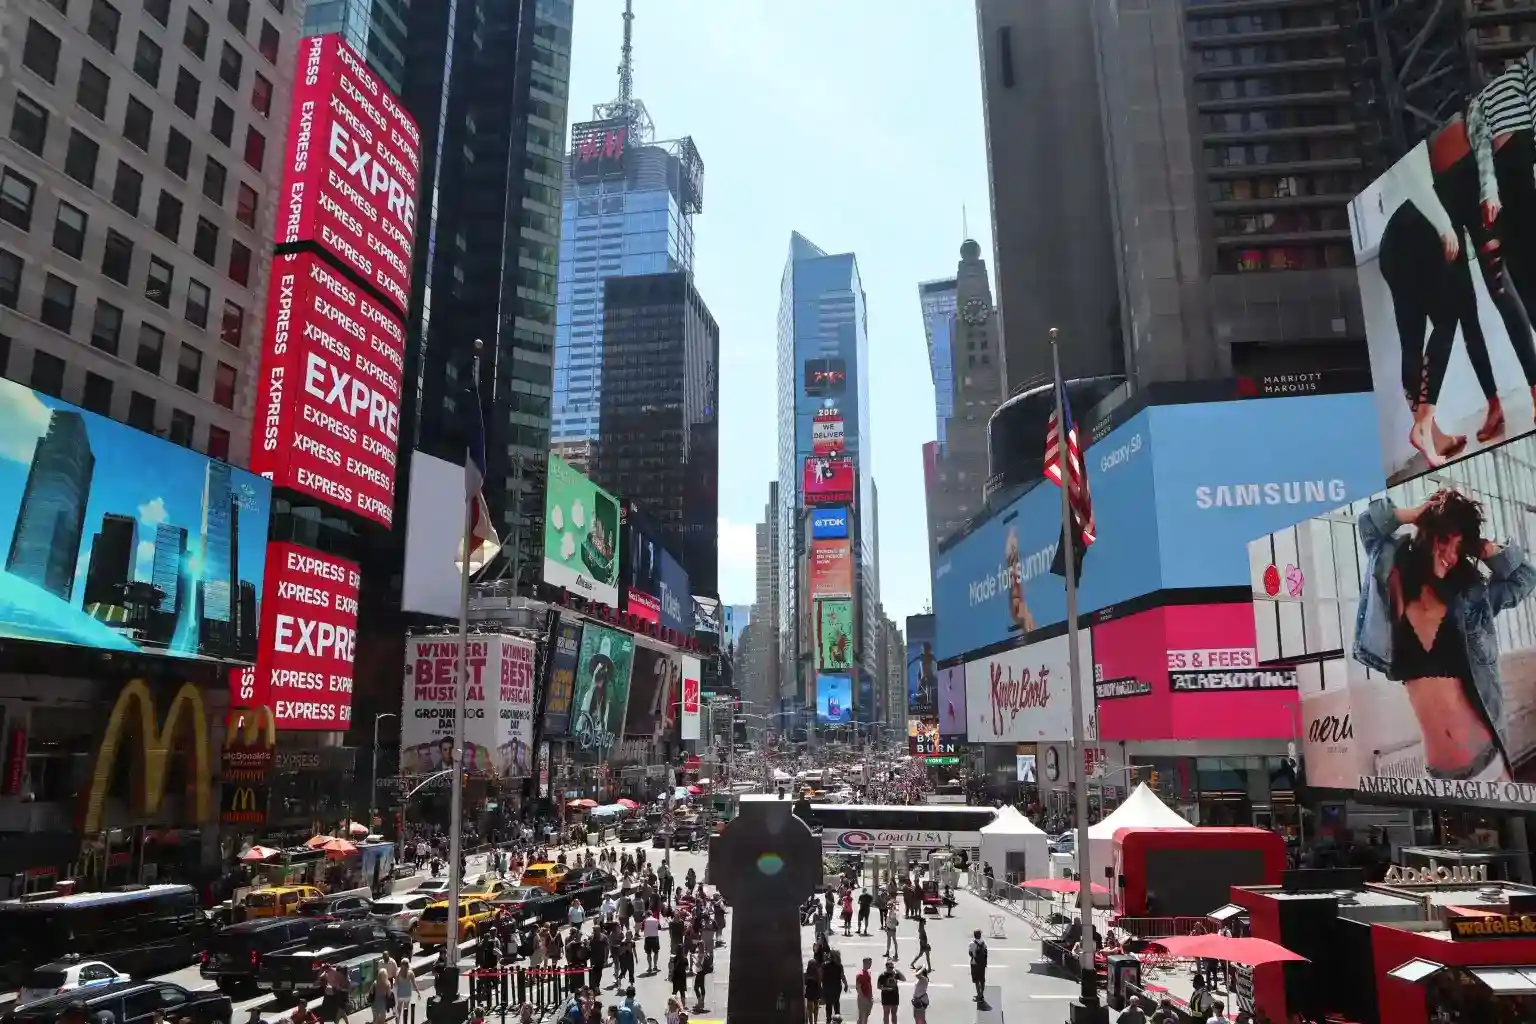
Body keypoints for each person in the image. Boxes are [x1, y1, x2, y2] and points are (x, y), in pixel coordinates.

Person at [1354, 491, 1536, 782]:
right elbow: (1368, 524)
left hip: (1487, 760)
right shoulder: (1395, 581)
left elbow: (1526, 578)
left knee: (1517, 829)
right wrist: (1414, 513)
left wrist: (1484, 548)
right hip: (1439, 777)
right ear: (1426, 535)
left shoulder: (1471, 597)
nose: (1451, 556)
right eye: (1444, 541)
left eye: (1459, 548)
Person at [823, 947, 847, 1024]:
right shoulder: (839, 966)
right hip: (836, 987)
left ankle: (828, 1019)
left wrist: (820, 986)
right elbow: (842, 976)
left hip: (827, 987)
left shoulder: (825, 965)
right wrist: (845, 984)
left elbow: (820, 976)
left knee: (828, 1004)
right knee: (836, 1002)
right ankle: (837, 1019)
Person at [967, 929, 989, 1006]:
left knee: (976, 980)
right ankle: (982, 994)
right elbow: (986, 953)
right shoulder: (983, 943)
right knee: (982, 979)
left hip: (974, 963)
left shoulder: (971, 944)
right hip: (982, 964)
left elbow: (970, 954)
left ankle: (978, 994)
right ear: (980, 935)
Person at [394, 956, 416, 1024]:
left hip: (400, 994)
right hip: (408, 994)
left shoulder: (398, 973)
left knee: (399, 1009)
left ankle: (397, 1022)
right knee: (405, 1010)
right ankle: (405, 1022)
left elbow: (396, 984)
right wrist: (418, 992)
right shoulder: (411, 973)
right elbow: (414, 984)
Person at [854, 957, 875, 1024]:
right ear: (864, 963)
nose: (870, 965)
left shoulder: (868, 972)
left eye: (871, 963)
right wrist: (863, 998)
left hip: (869, 997)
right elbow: (858, 987)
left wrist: (870, 997)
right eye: (869, 963)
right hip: (863, 998)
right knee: (862, 1016)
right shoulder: (860, 974)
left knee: (866, 1016)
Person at [804, 957, 823, 1024]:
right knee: (816, 1007)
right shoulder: (818, 973)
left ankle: (811, 1022)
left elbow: (805, 983)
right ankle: (815, 1021)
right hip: (816, 990)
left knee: (809, 1008)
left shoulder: (806, 974)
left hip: (809, 991)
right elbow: (819, 982)